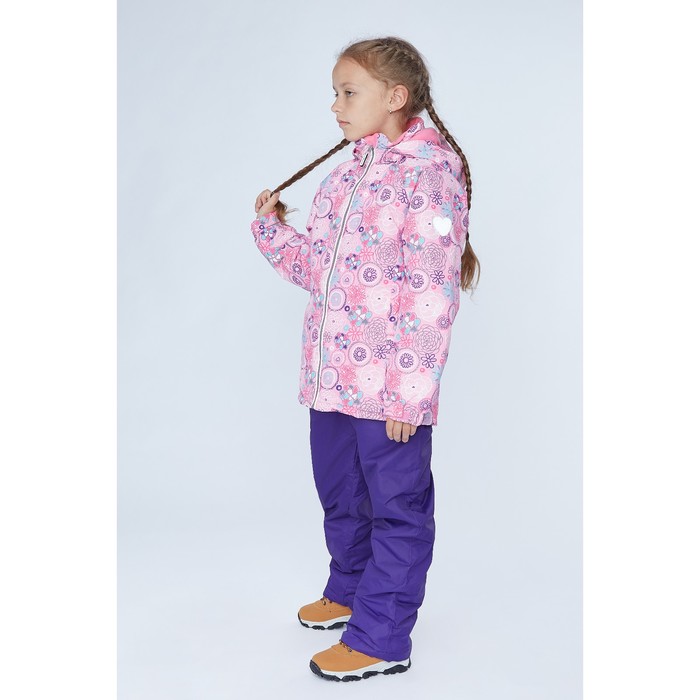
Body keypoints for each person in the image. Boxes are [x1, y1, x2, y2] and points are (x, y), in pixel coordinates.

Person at [250, 36, 480, 682]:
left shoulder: (429, 177)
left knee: (397, 508)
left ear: (395, 97)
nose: (336, 105)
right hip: (332, 379)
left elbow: (431, 294)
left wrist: (411, 394)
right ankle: (350, 590)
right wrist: (272, 230)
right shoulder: (347, 173)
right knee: (342, 494)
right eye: (335, 93)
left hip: (389, 391)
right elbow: (320, 272)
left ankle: (382, 636)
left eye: (349, 92)